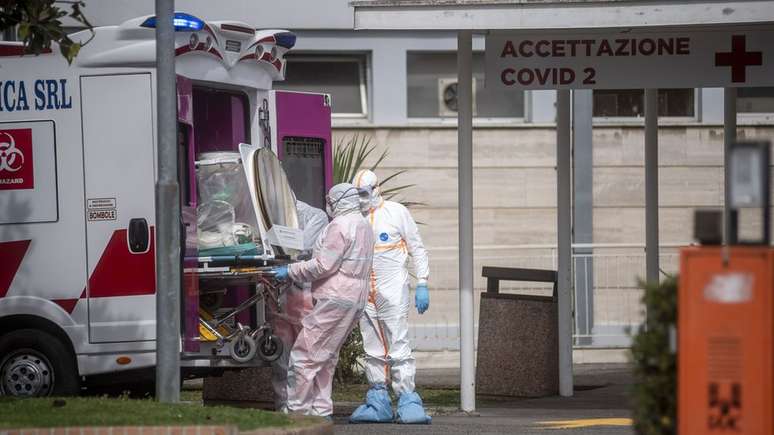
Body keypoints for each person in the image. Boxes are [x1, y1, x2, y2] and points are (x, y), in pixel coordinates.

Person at [272, 183, 375, 419]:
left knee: (303, 356)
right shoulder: (363, 224)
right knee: (326, 356)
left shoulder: (339, 226)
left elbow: (322, 265)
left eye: (330, 199)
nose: (328, 204)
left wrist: (290, 270)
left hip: (335, 297)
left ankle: (297, 414)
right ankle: (321, 411)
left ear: (338, 201)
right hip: (354, 298)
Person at [349, 169, 431, 424]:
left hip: (393, 290)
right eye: (357, 194)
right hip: (365, 292)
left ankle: (407, 399)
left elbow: (417, 247)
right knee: (371, 346)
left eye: (364, 194)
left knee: (399, 345)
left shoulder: (396, 212)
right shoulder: (353, 218)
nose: (361, 199)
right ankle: (378, 400)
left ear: (376, 190)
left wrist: (423, 282)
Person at [269, 199, 328, 412]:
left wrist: (276, 241)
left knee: (308, 354)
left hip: (305, 292)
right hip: (281, 294)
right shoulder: (269, 213)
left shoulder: (314, 215)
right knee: (281, 355)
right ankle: (284, 405)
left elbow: (302, 246)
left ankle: (311, 405)